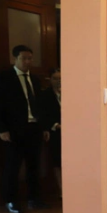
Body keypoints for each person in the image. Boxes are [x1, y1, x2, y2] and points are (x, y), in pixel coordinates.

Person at [0, 45, 50, 213]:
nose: (27, 62)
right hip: (14, 130)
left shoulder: (36, 78)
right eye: (24, 58)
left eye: (30, 58)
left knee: (34, 165)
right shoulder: (5, 77)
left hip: (34, 127)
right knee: (13, 166)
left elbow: (40, 105)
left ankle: (34, 198)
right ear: (15, 59)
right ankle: (11, 200)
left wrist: (44, 127)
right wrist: (2, 129)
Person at [41, 68, 62, 196]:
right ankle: (61, 190)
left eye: (61, 78)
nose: (59, 81)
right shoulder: (45, 95)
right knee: (57, 161)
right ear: (50, 80)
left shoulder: (71, 92)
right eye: (55, 78)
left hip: (71, 132)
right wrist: (55, 125)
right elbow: (43, 114)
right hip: (55, 132)